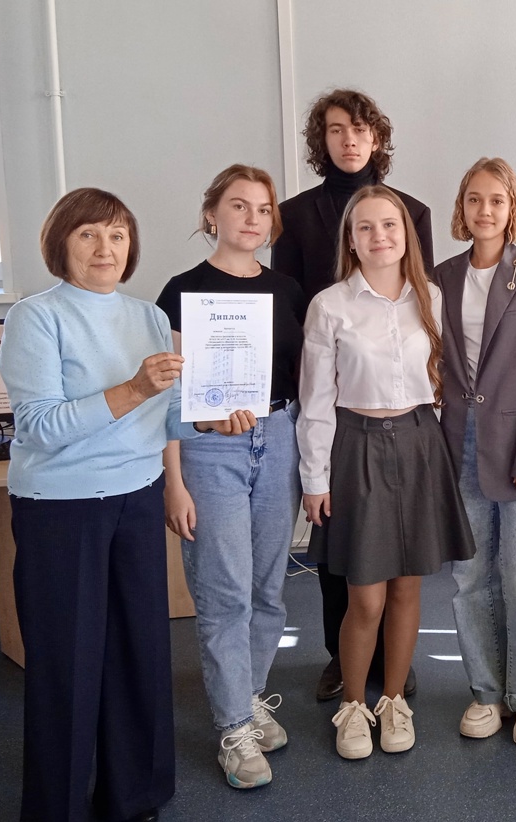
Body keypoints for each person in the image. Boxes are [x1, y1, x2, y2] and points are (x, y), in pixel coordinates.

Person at [0, 189, 252, 822]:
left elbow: (164, 415)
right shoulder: (35, 317)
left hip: (136, 498)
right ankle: (56, 809)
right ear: (61, 244)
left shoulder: (147, 317)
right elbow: (39, 427)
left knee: (139, 654)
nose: (104, 248)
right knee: (67, 663)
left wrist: (209, 421)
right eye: (87, 234)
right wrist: (133, 387)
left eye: (116, 235)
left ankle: (134, 796)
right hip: (61, 509)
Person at [298, 184, 475, 759]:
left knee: (407, 589)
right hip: (357, 448)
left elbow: (445, 380)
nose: (380, 236)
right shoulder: (330, 305)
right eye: (366, 227)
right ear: (351, 240)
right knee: (366, 597)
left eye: (390, 225)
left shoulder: (431, 296)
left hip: (420, 444)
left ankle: (394, 700)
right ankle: (353, 705)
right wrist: (315, 479)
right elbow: (316, 401)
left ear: (407, 235)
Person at [272, 88, 434, 702]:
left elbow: (421, 312)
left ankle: (393, 662)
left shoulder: (411, 211)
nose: (349, 139)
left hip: (398, 400)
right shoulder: (295, 214)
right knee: (339, 553)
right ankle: (341, 662)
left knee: (401, 565)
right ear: (324, 140)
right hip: (334, 390)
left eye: (360, 129)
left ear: (377, 138)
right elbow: (289, 310)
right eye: (337, 129)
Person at [156, 165, 308, 789]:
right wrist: (173, 480)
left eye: (264, 209)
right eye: (239, 205)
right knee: (225, 593)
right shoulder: (182, 291)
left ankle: (248, 697)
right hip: (209, 448)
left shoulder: (289, 290)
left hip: (278, 437)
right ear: (211, 213)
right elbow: (166, 395)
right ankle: (233, 730)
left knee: (269, 590)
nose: (253, 218)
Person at [433, 158, 516, 746]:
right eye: (473, 199)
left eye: (496, 200)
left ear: (512, 207)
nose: (484, 210)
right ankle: (486, 692)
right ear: (461, 207)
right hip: (460, 444)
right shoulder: (440, 277)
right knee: (470, 579)